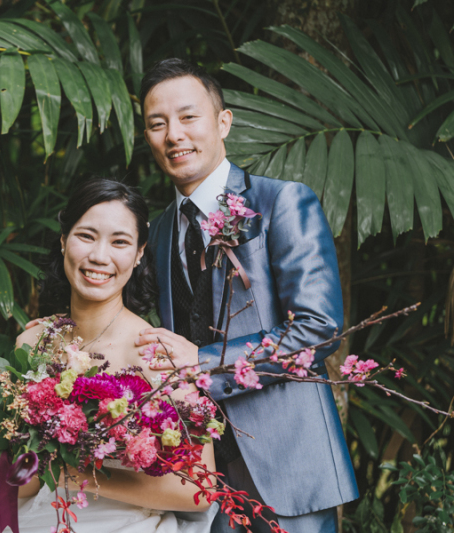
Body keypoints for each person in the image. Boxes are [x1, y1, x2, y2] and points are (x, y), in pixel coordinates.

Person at [0, 179, 217, 533]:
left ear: (139, 253)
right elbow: (30, 477)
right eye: (86, 236)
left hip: (120, 520)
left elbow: (200, 491)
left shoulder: (157, 355)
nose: (99, 256)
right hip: (43, 510)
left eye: (120, 242)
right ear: (64, 241)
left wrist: (76, 475)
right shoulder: (33, 341)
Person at [134, 58, 358, 532]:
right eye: (158, 124)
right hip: (200, 476)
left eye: (188, 117)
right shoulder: (156, 233)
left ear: (223, 122)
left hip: (290, 465)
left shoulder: (282, 202)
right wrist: (60, 336)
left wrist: (201, 362)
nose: (174, 134)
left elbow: (318, 331)